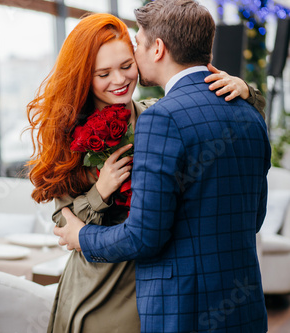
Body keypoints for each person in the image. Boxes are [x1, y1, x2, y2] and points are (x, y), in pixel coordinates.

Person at [54, 1, 270, 333]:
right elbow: (253, 217)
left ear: (157, 49)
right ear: (86, 76)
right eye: (103, 73)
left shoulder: (159, 114)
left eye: (129, 59)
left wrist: (83, 237)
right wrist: (99, 193)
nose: (121, 77)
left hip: (170, 295)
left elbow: (145, 236)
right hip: (104, 289)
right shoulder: (248, 115)